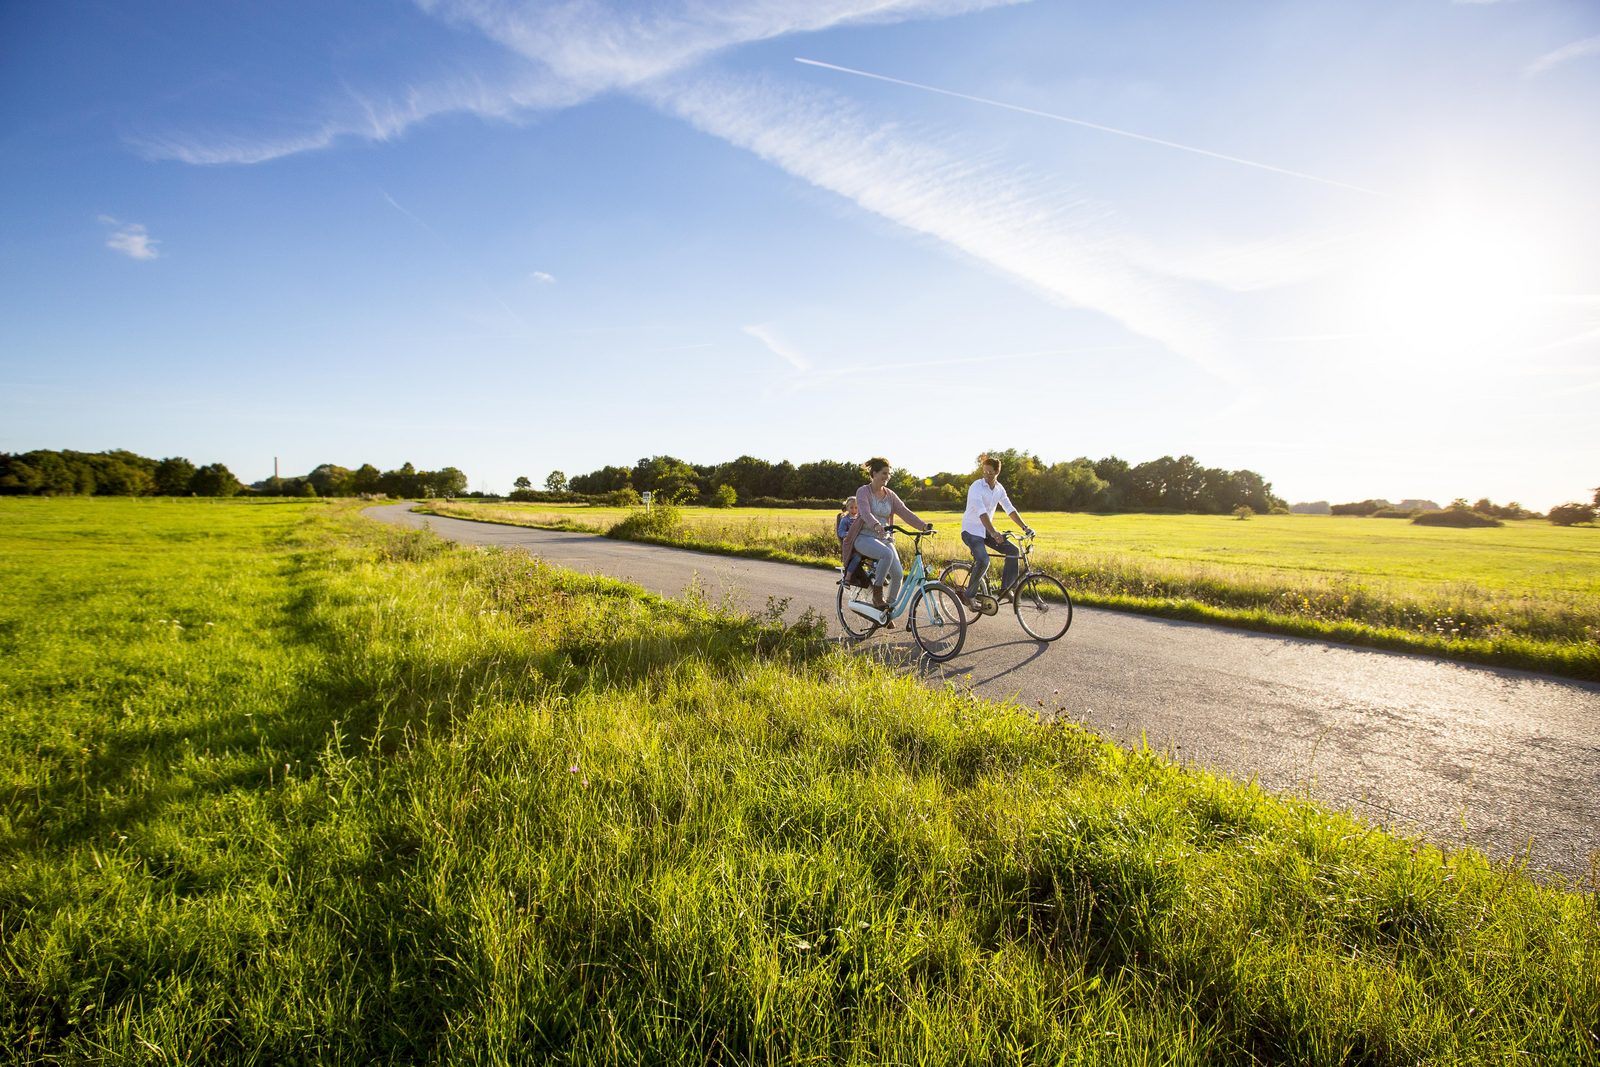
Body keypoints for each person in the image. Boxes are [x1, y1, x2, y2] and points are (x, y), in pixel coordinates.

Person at [840, 457, 931, 624]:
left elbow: (905, 512)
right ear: (874, 473)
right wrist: (876, 525)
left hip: (884, 537)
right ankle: (877, 594)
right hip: (864, 536)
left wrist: (924, 526)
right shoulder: (863, 491)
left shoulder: (890, 495)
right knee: (887, 555)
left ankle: (886, 612)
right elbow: (866, 513)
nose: (887, 477)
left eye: (889, 474)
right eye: (883, 473)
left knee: (898, 575)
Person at [959, 453, 1033, 614]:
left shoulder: (999, 489)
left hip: (986, 530)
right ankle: (969, 596)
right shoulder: (976, 486)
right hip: (971, 530)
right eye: (984, 471)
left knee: (1013, 551)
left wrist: (1025, 527)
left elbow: (1009, 509)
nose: (986, 475)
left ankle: (1006, 588)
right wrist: (993, 532)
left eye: (990, 472)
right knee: (983, 560)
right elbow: (981, 512)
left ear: (997, 472)